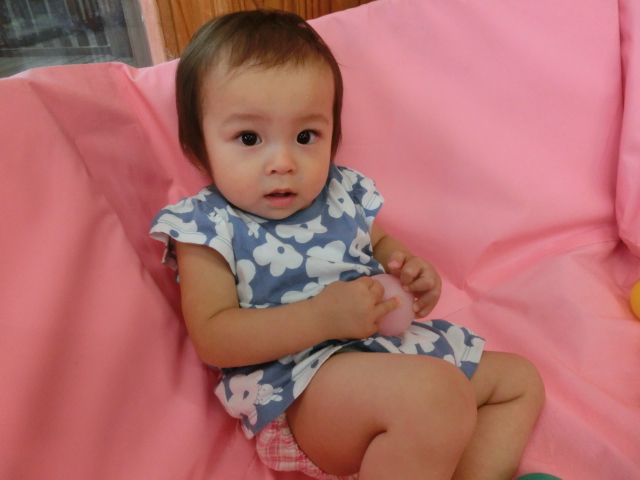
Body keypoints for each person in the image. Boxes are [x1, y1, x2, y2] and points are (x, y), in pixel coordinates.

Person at [150, 9, 546, 480]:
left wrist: (410, 270)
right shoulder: (208, 225)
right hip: (303, 388)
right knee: (433, 397)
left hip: (389, 353)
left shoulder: (341, 193)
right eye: (249, 137)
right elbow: (214, 338)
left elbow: (381, 246)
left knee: (518, 382)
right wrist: (320, 318)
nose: (283, 161)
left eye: (306, 136)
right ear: (199, 148)